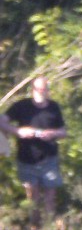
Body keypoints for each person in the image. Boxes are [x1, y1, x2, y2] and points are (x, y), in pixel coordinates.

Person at [2, 76, 67, 227]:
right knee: (33, 197)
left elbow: (63, 132)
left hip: (49, 158)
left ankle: (49, 224)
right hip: (26, 159)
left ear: (48, 90)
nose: (42, 91)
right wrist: (18, 131)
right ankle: (35, 225)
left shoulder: (54, 107)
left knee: (50, 196)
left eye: (45, 88)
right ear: (32, 89)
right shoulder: (21, 105)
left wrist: (53, 134)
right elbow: (1, 121)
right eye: (39, 88)